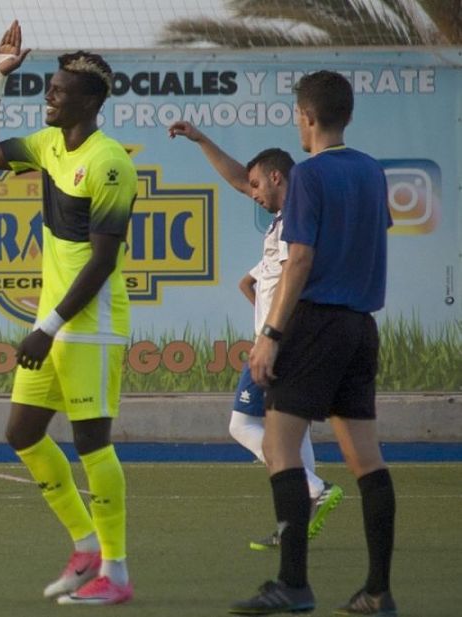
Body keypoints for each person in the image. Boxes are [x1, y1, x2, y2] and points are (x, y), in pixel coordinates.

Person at [0, 21, 137, 606]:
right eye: (49, 89)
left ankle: (115, 573)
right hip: (56, 325)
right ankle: (85, 545)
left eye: (60, 92)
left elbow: (102, 262)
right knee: (22, 432)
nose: (49, 97)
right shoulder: (46, 147)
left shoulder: (110, 161)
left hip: (89, 323)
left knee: (93, 443)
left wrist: (47, 325)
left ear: (89, 102)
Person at [229, 70, 396, 616]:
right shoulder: (371, 172)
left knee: (279, 448)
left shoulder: (308, 176)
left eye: (296, 115)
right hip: (360, 327)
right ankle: (377, 591)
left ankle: (294, 584)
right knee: (366, 461)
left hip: (316, 323)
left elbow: (299, 259)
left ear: (306, 116)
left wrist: (270, 336)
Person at [167, 121, 343, 551]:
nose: (252, 192)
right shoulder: (283, 217)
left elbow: (296, 276)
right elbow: (236, 178)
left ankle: (312, 487)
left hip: (280, 342)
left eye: (257, 185)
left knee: (242, 424)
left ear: (277, 177)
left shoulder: (295, 221)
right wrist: (201, 139)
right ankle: (295, 523)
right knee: (291, 432)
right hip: (285, 339)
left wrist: (272, 333)